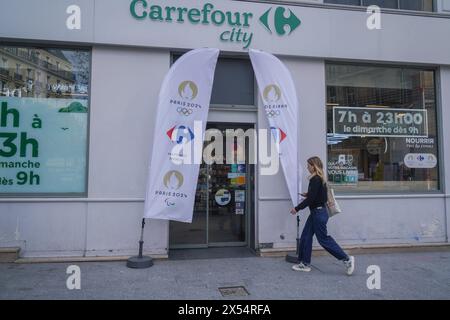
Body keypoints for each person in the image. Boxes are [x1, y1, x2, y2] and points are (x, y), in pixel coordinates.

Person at [290, 156, 355, 276]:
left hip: (318, 213)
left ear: (314, 166)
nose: (307, 167)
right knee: (306, 236)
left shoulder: (315, 179)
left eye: (308, 165)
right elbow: (320, 197)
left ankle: (347, 259)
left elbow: (311, 200)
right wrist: (309, 194)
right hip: (317, 212)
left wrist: (297, 208)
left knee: (323, 239)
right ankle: (304, 263)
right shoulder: (319, 179)